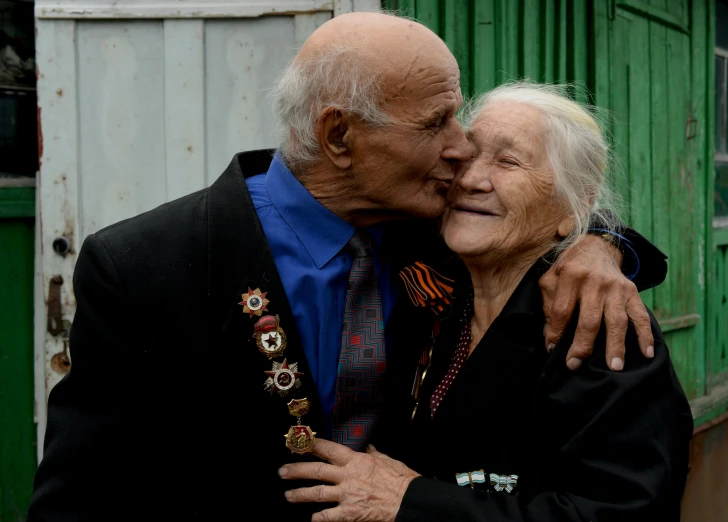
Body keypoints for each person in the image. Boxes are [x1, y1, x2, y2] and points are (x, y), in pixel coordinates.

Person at [27, 14, 667, 522]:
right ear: (339, 138)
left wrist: (601, 247)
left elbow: (547, 208)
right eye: (436, 122)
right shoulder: (146, 265)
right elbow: (81, 497)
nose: (461, 148)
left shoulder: (436, 233)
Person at [280, 83, 693, 521]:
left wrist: (409, 501)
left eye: (508, 162)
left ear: (576, 206)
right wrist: (606, 240)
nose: (472, 180)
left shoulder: (597, 324)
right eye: (467, 156)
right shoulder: (433, 279)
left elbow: (620, 512)